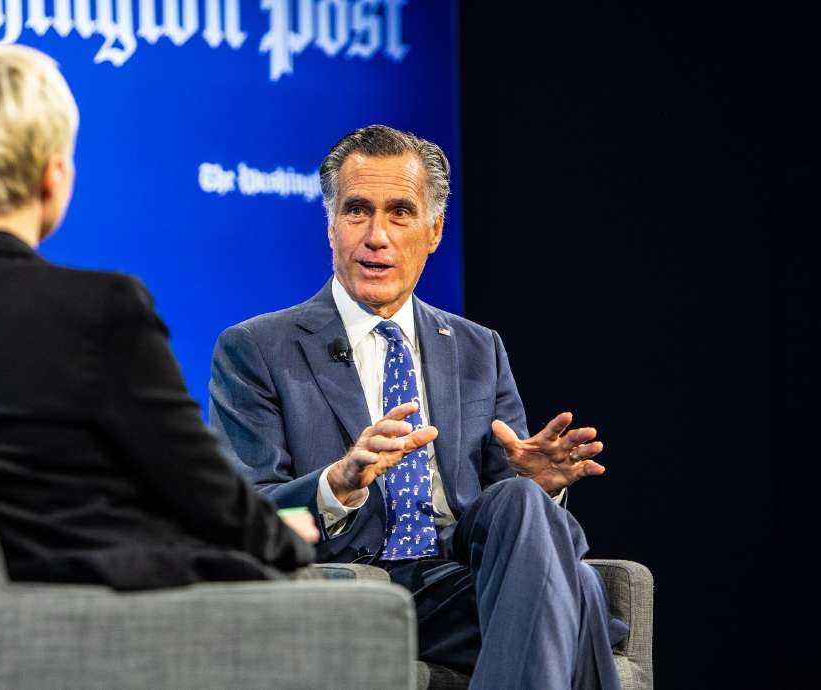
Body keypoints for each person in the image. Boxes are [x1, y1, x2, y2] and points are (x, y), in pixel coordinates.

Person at [0, 43, 316, 591]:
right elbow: (203, 491)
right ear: (54, 174)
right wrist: (286, 539)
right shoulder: (102, 309)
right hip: (104, 615)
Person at [209, 125, 623, 688]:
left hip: (459, 581)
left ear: (434, 231)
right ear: (331, 226)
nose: (376, 236)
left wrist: (539, 485)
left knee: (522, 501)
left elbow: (510, 519)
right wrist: (337, 484)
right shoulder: (257, 348)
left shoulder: (478, 348)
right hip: (351, 583)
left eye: (400, 213)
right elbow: (243, 517)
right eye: (357, 211)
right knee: (581, 594)